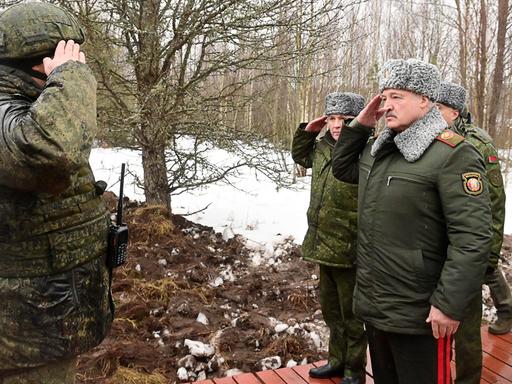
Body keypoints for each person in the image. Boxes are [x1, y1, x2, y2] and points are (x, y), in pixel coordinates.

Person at [331, 59, 492, 384]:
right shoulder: (379, 151)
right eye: (384, 97)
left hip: (421, 314)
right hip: (377, 307)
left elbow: (472, 238)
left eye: (397, 97)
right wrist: (361, 124)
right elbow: (341, 167)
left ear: (425, 100)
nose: (387, 105)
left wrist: (448, 305)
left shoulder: (452, 154)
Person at [0, 3, 113, 383]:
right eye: (66, 59)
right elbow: (49, 152)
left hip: (42, 326)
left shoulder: (32, 105)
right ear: (40, 66)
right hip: (20, 340)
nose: (80, 67)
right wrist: (70, 78)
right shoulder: (10, 112)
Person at [436, 81, 511, 383]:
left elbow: (495, 203)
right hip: (439, 251)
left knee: (466, 331)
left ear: (454, 111)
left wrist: (488, 256)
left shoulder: (478, 144)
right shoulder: (433, 139)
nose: (433, 113)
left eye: (438, 108)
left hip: (469, 251)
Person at [292, 92, 367, 384]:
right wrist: (309, 130)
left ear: (358, 121)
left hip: (350, 246)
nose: (337, 125)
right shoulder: (322, 147)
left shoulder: (366, 150)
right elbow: (300, 155)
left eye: (345, 120)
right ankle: (336, 360)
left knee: (352, 316)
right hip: (323, 244)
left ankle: (354, 369)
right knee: (332, 312)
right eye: (332, 119)